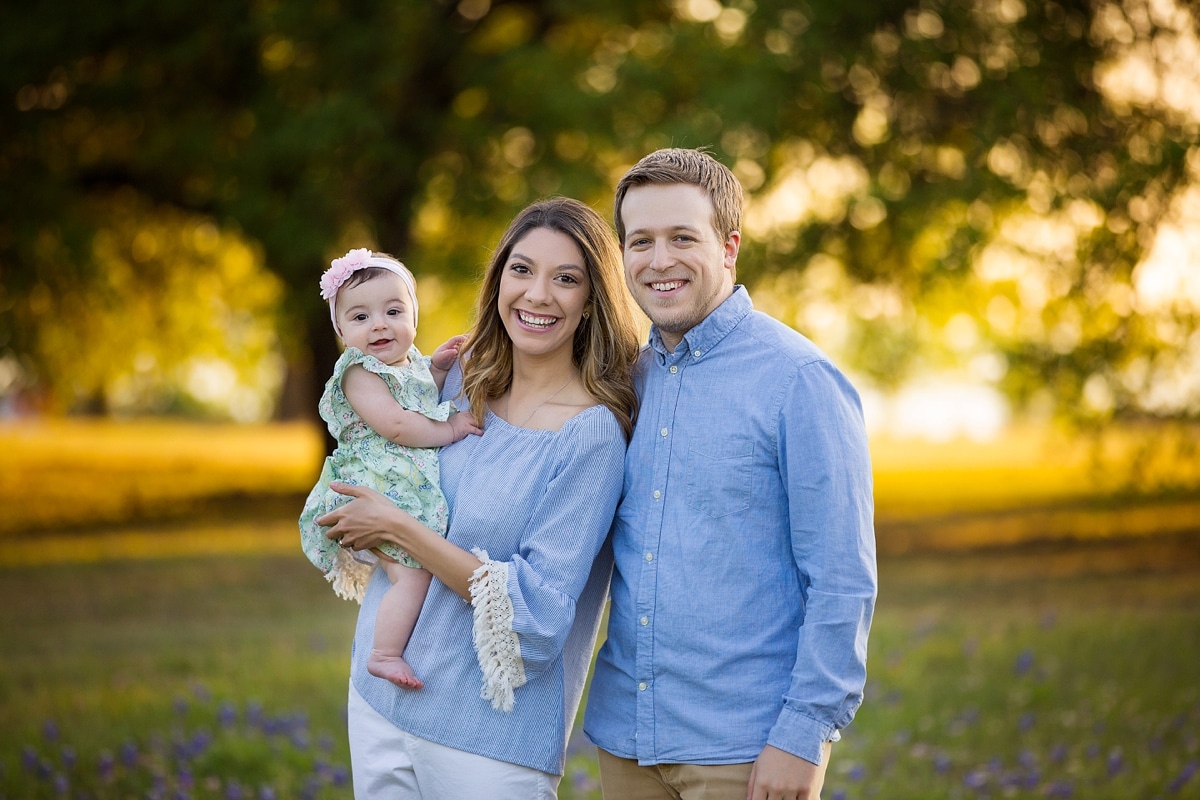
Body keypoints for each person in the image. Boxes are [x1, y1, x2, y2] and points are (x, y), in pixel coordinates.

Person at [316, 197, 641, 798]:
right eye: (521, 270)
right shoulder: (462, 381)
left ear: (593, 298)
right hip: (379, 702)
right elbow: (377, 458)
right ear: (498, 282)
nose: (537, 295)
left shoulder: (591, 436)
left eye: (565, 278)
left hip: (487, 738)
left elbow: (539, 618)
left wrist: (402, 530)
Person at [583, 148, 878, 800]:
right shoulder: (622, 380)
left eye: (682, 237)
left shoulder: (800, 381)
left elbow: (841, 579)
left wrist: (803, 736)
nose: (659, 260)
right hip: (626, 740)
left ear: (729, 247)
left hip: (746, 751)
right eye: (641, 241)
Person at [299, 248, 483, 690]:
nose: (379, 324)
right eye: (360, 317)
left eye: (393, 310)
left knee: (416, 568)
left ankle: (388, 650)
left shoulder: (405, 365)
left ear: (413, 317)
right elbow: (398, 424)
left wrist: (436, 370)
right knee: (413, 574)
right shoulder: (358, 372)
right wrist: (452, 428)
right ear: (341, 330)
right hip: (375, 485)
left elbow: (415, 396)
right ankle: (384, 654)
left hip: (397, 483)